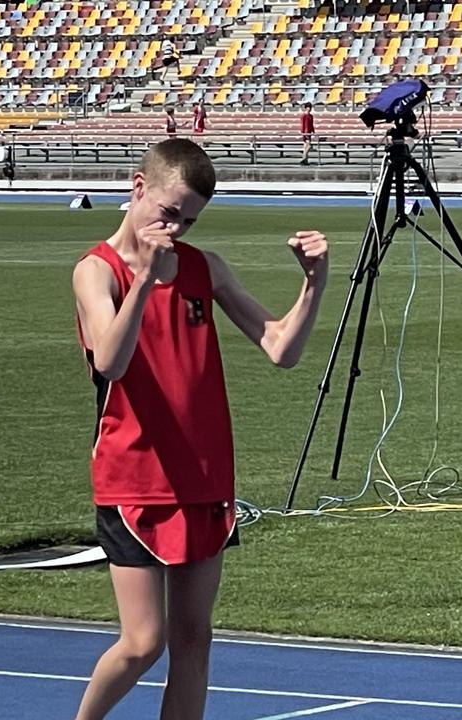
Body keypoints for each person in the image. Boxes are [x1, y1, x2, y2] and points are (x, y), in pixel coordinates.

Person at [71, 138, 328, 719]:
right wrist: (146, 282)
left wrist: (313, 282)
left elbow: (281, 348)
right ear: (138, 188)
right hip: (135, 477)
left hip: (205, 477)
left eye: (188, 220)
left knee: (194, 642)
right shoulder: (96, 271)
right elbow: (110, 360)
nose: (176, 228)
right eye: (168, 213)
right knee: (143, 642)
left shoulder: (203, 267)